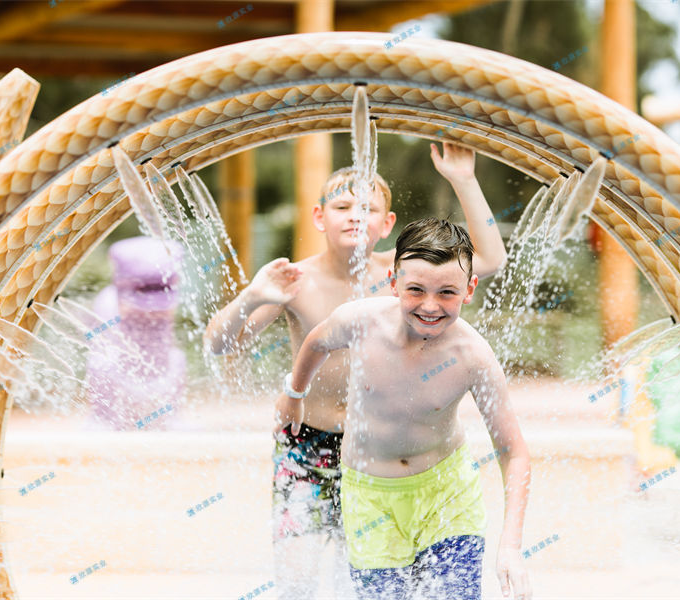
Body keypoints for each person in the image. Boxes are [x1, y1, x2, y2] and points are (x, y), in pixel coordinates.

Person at [203, 143, 508, 599]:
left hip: (378, 452)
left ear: (387, 224)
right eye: (342, 206)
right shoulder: (296, 281)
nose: (354, 216)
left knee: (364, 576)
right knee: (297, 579)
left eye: (368, 209)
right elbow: (220, 344)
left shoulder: (406, 278)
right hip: (308, 445)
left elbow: (491, 259)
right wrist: (252, 296)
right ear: (319, 216)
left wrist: (463, 179)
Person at [274, 218, 532, 600]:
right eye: (416, 290)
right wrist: (294, 393)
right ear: (393, 283)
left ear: (469, 289)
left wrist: (510, 546)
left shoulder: (473, 357)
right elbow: (316, 342)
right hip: (370, 497)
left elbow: (513, 451)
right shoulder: (358, 322)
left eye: (447, 292)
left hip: (447, 495)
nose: (430, 306)